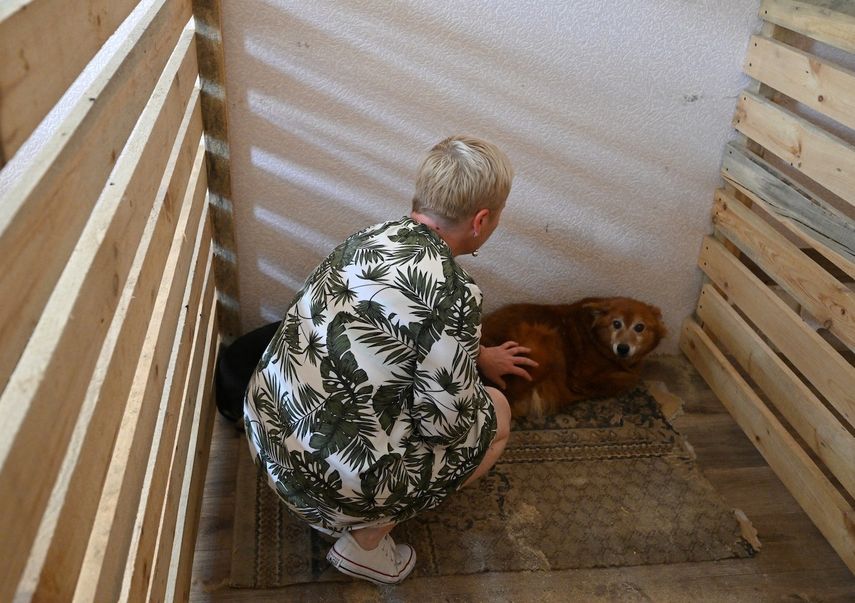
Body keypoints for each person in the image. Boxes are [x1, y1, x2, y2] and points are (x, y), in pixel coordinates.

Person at [243, 135, 537, 585]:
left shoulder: (364, 239)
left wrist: (472, 352)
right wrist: (473, 382)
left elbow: (397, 328)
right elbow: (445, 427)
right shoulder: (455, 294)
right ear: (481, 220)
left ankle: (350, 516)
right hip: (333, 487)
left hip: (269, 439)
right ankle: (367, 541)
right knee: (495, 412)